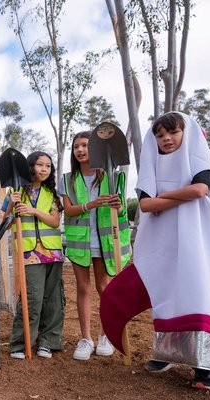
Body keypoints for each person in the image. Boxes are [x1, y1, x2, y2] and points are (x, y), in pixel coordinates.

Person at [100, 112, 210, 391]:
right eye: (160, 135)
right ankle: (166, 353)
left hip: (199, 243)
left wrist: (164, 197)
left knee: (200, 296)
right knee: (168, 296)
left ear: (187, 134)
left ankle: (204, 368)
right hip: (165, 244)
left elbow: (200, 190)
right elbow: (146, 206)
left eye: (173, 133)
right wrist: (172, 196)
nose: (166, 139)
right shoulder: (154, 166)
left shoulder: (198, 160)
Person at [59, 131, 131, 361]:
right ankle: (86, 338)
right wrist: (91, 203)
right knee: (83, 288)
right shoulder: (67, 179)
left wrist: (118, 206)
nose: (80, 150)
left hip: (104, 239)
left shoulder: (112, 177)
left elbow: (120, 211)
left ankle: (105, 336)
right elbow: (68, 210)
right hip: (80, 241)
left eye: (85, 145)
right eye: (76, 147)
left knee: (104, 287)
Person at [2, 151, 65, 360]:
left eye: (48, 166)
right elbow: (3, 218)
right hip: (30, 252)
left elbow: (55, 222)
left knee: (53, 300)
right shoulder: (16, 191)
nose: (44, 169)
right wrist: (12, 203)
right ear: (30, 167)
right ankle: (21, 343)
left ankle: (48, 342)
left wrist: (34, 211)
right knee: (32, 298)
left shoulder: (51, 194)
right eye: (40, 165)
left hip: (53, 252)